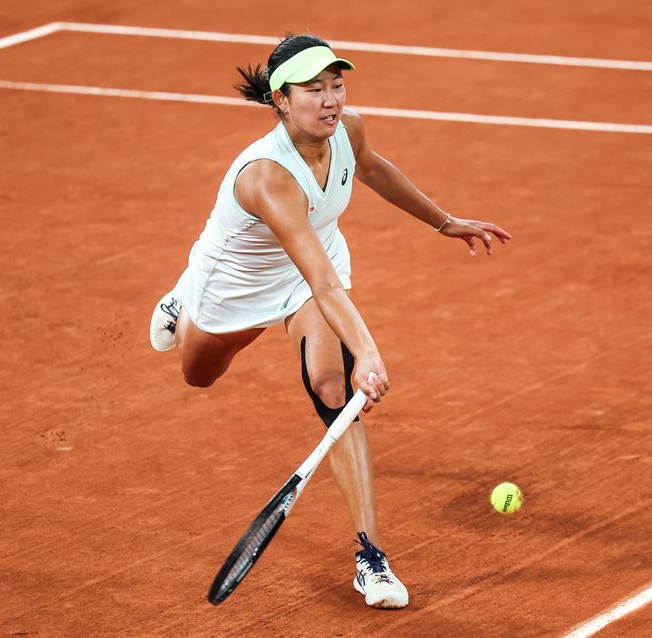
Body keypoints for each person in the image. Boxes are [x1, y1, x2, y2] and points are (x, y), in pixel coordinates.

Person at [149, 34, 511, 609]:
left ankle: (371, 558)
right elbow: (324, 283)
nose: (331, 100)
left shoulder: (348, 130)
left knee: (333, 390)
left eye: (336, 85)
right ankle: (184, 299)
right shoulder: (267, 176)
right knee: (199, 374)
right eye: (313, 90)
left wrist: (444, 222)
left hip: (311, 267)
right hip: (238, 286)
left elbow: (372, 168)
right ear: (280, 100)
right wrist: (368, 349)